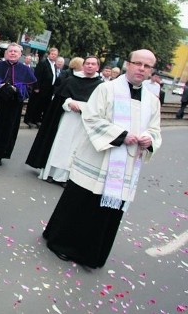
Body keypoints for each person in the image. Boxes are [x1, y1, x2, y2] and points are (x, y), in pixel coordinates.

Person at [43, 49, 161, 269]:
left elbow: (155, 130)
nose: (142, 69)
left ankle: (90, 253)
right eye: (138, 63)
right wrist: (121, 136)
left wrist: (148, 139)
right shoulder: (107, 89)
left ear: (151, 70)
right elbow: (91, 118)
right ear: (128, 64)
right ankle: (63, 244)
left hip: (124, 164)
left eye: (147, 66)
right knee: (82, 203)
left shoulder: (152, 101)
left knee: (106, 211)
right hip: (97, 159)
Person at [26, 56, 103, 186]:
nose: (90, 66)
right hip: (67, 119)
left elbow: (100, 106)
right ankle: (50, 173)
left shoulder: (101, 86)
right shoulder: (71, 80)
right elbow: (60, 98)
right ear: (83, 65)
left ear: (97, 67)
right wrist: (68, 102)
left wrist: (84, 107)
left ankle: (66, 178)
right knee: (60, 144)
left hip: (84, 122)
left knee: (75, 148)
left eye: (93, 64)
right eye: (87, 63)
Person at [24, 47, 59, 129]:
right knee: (34, 104)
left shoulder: (54, 65)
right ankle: (29, 120)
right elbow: (37, 75)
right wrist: (36, 87)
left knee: (41, 106)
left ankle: (36, 120)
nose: (53, 56)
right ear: (49, 54)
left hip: (48, 90)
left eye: (55, 55)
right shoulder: (43, 63)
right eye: (52, 54)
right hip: (39, 89)